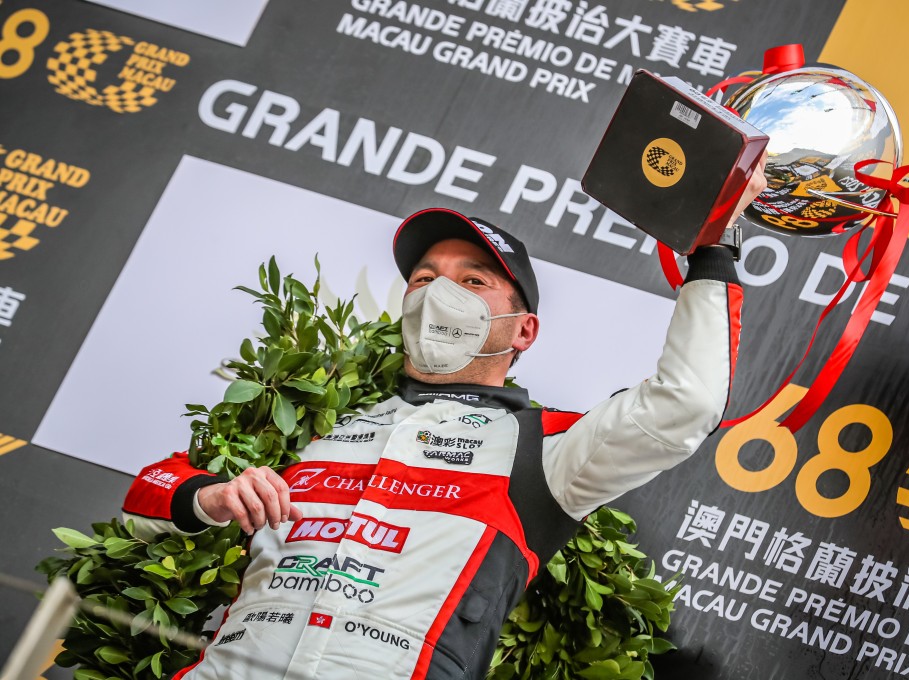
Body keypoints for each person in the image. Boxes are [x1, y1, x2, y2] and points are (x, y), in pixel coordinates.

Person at [122, 161, 766, 680]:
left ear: (524, 330)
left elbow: (685, 404)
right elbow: (141, 506)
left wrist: (713, 249)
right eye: (424, 277)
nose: (438, 293)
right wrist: (207, 497)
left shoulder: (548, 447)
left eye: (473, 281)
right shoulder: (319, 420)